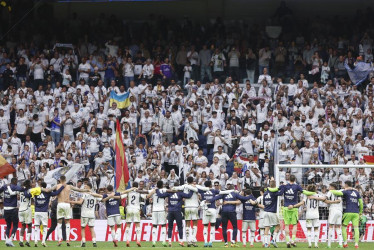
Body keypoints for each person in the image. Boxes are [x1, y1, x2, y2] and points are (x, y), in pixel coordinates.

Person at [209, 180, 250, 247]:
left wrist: (209, 201)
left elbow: (216, 198)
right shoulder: (235, 193)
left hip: (224, 212)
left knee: (224, 227)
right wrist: (250, 197)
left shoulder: (224, 194)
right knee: (235, 226)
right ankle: (233, 242)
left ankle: (225, 243)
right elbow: (243, 198)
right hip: (232, 212)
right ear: (233, 189)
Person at [55, 175, 91, 246]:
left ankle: (59, 240)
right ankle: (68, 240)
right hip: (67, 204)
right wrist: (86, 190)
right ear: (65, 179)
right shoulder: (69, 186)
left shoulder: (57, 186)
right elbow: (79, 190)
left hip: (60, 204)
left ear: (60, 180)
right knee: (67, 222)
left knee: (59, 222)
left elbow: (50, 190)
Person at [155, 183, 194, 247]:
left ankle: (170, 241)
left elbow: (160, 195)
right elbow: (189, 196)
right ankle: (181, 241)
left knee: (170, 227)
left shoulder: (169, 193)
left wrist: (157, 190)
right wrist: (192, 189)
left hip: (170, 211)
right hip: (177, 211)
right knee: (180, 227)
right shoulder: (180, 193)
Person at [330, 181, 363, 248]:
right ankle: (356, 244)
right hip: (356, 213)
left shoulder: (346, 192)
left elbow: (337, 192)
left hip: (348, 212)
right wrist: (360, 212)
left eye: (344, 185)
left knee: (344, 227)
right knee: (356, 228)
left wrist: (331, 190)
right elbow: (361, 203)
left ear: (346, 185)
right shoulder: (357, 192)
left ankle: (345, 243)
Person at [33, 182, 65, 247]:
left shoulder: (36, 192)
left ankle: (35, 241)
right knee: (45, 227)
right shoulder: (47, 193)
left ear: (41, 185)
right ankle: (43, 241)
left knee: (36, 227)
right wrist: (62, 187)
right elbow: (56, 193)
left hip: (37, 212)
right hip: (44, 212)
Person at [70, 182, 102, 247]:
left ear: (88, 187)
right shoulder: (94, 194)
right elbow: (101, 198)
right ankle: (94, 242)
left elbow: (80, 202)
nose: (84, 187)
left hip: (84, 213)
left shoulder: (84, 194)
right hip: (91, 214)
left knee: (83, 228)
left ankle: (83, 242)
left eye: (85, 186)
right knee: (92, 228)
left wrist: (70, 201)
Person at [172, 176, 199, 246]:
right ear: (193, 181)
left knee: (187, 223)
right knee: (195, 223)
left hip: (187, 207)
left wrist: (172, 188)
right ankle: (193, 239)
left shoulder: (184, 186)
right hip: (194, 207)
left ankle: (188, 241)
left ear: (187, 181)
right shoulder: (195, 187)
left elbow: (176, 188)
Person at [0, 178, 25, 247]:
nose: (17, 183)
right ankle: (10, 240)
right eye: (16, 181)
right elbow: (22, 189)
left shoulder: (5, 186)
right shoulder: (15, 186)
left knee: (8, 225)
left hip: (5, 209)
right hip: (13, 209)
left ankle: (6, 241)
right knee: (15, 225)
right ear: (14, 181)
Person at [196, 181, 220, 247]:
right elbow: (221, 194)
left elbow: (196, 187)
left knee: (205, 226)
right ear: (210, 185)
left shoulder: (202, 191)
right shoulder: (214, 191)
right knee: (212, 226)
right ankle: (210, 242)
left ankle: (205, 242)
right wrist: (214, 199)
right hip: (213, 209)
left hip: (205, 210)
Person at [123, 182, 147, 247]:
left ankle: (127, 240)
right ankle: (138, 240)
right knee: (137, 225)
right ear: (137, 186)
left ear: (132, 186)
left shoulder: (129, 192)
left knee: (128, 225)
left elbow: (121, 196)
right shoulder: (139, 192)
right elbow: (145, 197)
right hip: (136, 209)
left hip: (129, 209)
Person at [147, 181, 168, 247]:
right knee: (163, 225)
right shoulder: (164, 190)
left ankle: (153, 241)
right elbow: (169, 191)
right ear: (162, 185)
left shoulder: (153, 190)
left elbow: (147, 196)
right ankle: (164, 241)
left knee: (154, 225)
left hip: (154, 210)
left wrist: (153, 191)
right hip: (161, 210)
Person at [325, 183, 343, 248]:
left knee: (330, 227)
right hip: (340, 211)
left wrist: (328, 201)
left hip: (333, 210)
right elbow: (339, 200)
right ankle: (340, 244)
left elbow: (325, 198)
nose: (329, 187)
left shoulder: (330, 192)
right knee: (338, 227)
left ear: (333, 187)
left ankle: (329, 245)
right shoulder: (339, 192)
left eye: (330, 186)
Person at [18, 180, 32, 247]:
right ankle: (27, 241)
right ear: (29, 184)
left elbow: (18, 197)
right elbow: (29, 196)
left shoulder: (21, 191)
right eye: (30, 183)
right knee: (29, 225)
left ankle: (21, 241)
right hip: (27, 209)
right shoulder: (29, 190)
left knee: (23, 226)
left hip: (20, 210)